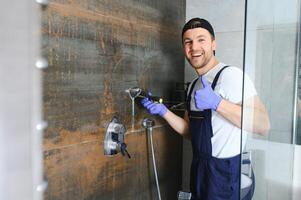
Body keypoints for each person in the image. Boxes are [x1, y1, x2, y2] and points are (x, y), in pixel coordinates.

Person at [141, 18, 270, 200]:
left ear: (213, 44)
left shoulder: (231, 76)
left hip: (225, 174)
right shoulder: (193, 86)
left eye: (201, 40)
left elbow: (263, 125)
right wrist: (164, 112)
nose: (194, 47)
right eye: (188, 42)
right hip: (201, 170)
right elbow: (189, 132)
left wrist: (218, 103)